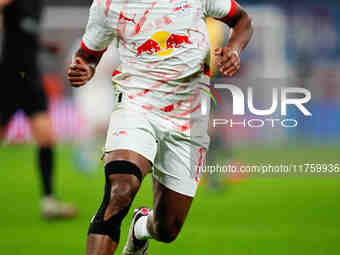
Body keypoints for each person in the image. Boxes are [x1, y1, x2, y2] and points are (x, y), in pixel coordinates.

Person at [67, 0, 253, 254]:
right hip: (136, 105)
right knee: (120, 189)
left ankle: (140, 228)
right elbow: (88, 55)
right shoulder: (107, 5)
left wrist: (234, 49)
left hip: (188, 115)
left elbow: (242, 20)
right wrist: (84, 69)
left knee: (167, 228)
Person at [0, 0, 77, 219]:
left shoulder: (36, 5)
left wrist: (46, 46)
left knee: (46, 138)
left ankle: (49, 202)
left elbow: (26, 38)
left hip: (32, 79)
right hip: (9, 78)